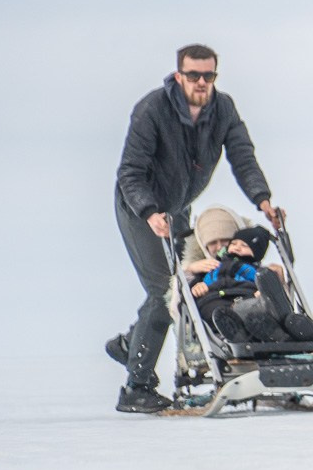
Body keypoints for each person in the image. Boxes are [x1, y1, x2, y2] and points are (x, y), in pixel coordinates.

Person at [109, 45, 284, 413]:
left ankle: (129, 345)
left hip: (177, 207)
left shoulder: (223, 109)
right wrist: (149, 212)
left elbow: (243, 157)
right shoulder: (152, 109)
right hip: (139, 207)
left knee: (182, 288)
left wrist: (263, 199)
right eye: (193, 75)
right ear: (179, 76)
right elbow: (130, 171)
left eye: (209, 75)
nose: (201, 82)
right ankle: (136, 388)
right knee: (165, 290)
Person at [181, 207, 313, 346]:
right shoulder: (202, 269)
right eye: (213, 243)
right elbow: (181, 299)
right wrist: (190, 272)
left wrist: (272, 282)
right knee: (223, 312)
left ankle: (294, 331)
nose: (219, 247)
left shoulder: (253, 268)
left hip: (248, 301)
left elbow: (261, 282)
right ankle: (249, 336)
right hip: (216, 308)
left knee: (254, 309)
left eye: (225, 241)